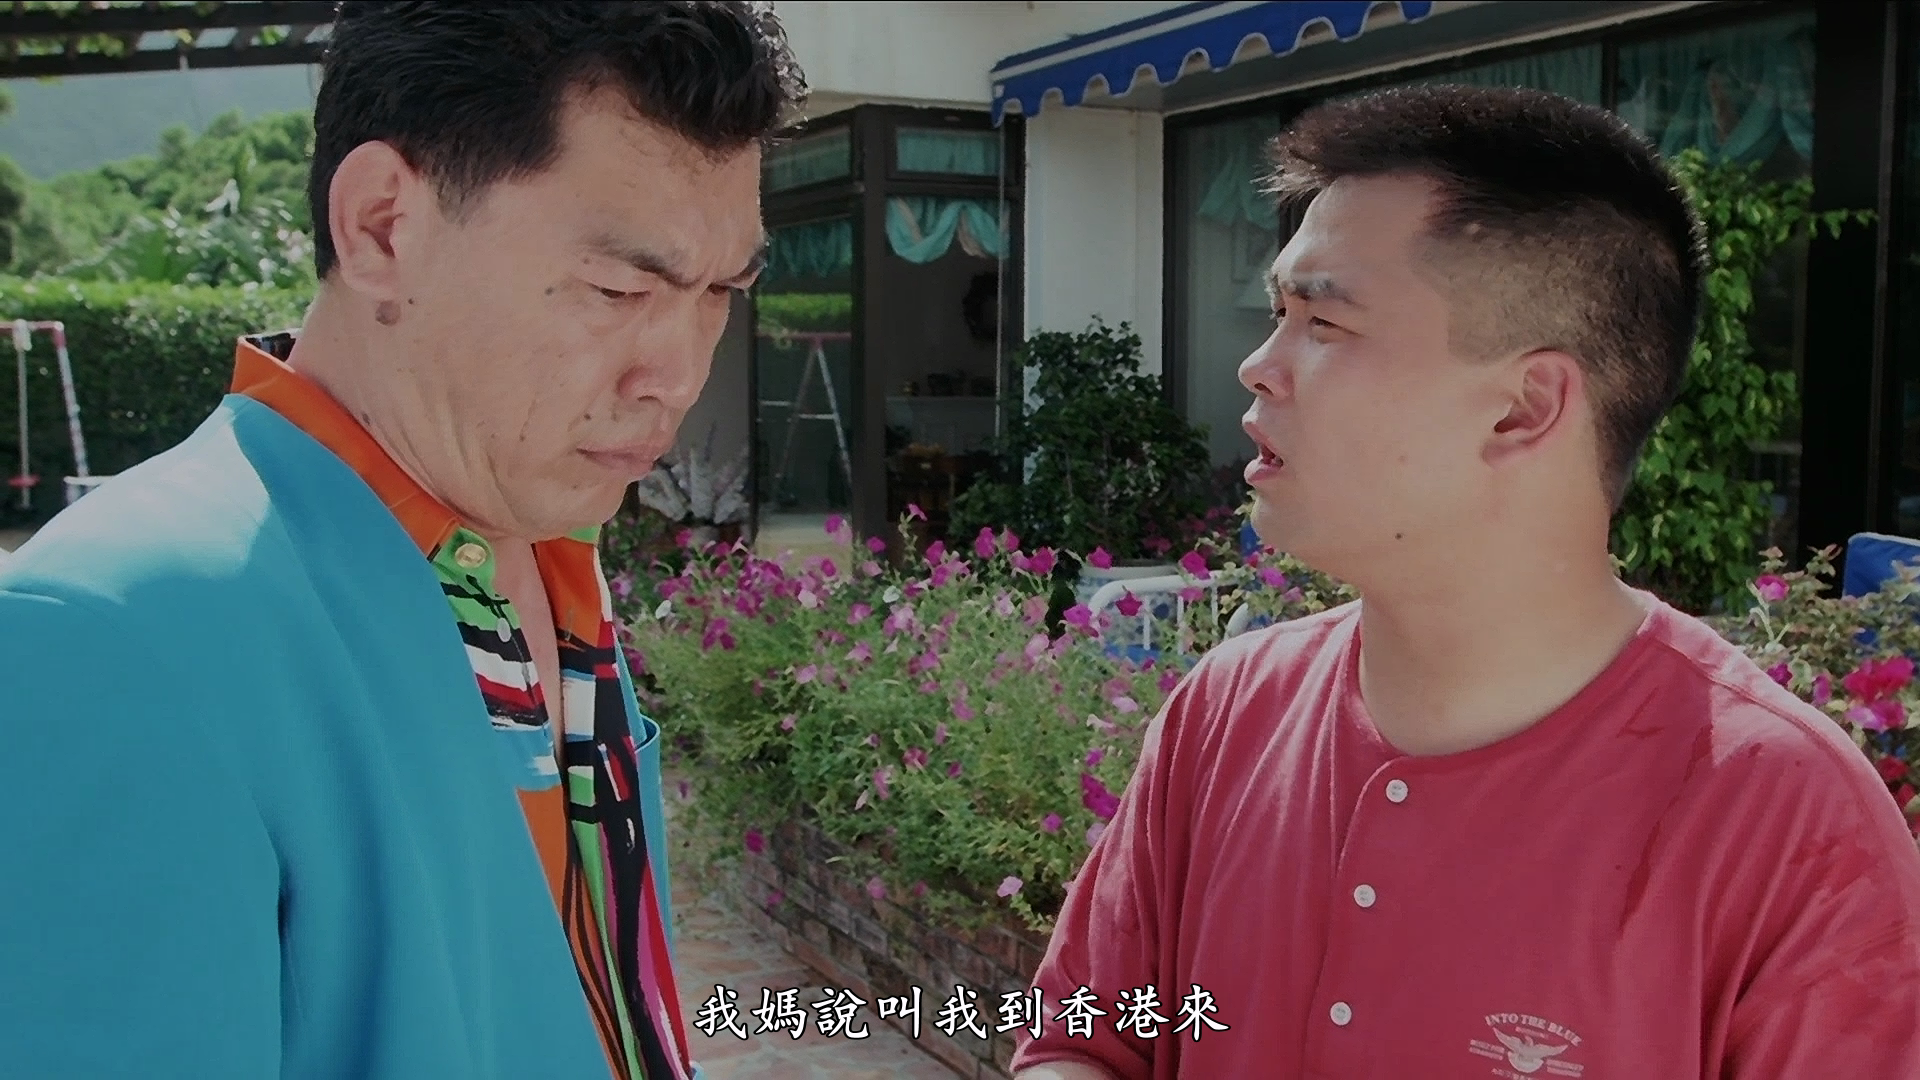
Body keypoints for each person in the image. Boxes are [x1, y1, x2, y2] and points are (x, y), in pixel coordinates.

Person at [1011, 85, 1920, 1079]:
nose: (1258, 366)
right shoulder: (1229, 710)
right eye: (1278, 314)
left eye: (1324, 322)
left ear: (1524, 409)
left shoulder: (1786, 820)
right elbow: (1082, 1040)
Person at [0, 3, 803, 1077]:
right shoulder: (114, 635)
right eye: (619, 289)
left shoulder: (543, 538)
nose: (678, 374)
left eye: (721, 295)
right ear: (383, 226)